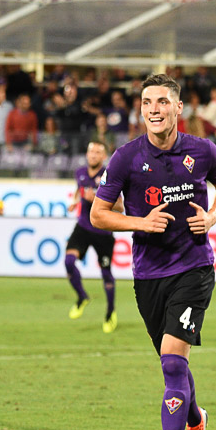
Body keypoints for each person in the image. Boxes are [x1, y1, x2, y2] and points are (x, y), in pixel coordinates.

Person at [91, 74, 216, 430]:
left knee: (174, 361)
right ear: (142, 110)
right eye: (147, 102)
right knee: (174, 366)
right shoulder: (125, 158)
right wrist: (140, 222)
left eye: (162, 102)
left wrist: (211, 217)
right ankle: (195, 420)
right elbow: (99, 214)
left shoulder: (202, 150)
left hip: (194, 268)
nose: (154, 109)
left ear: (178, 109)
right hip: (149, 276)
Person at [66, 141, 122, 333]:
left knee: (106, 273)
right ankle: (82, 297)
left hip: (102, 231)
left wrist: (96, 199)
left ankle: (110, 313)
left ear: (104, 156)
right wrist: (75, 202)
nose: (93, 155)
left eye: (98, 152)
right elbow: (78, 190)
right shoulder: (80, 172)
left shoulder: (110, 175)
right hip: (82, 227)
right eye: (91, 151)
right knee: (68, 261)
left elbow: (120, 206)